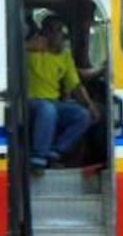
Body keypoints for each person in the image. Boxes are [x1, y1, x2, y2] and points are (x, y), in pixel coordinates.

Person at [26, 14, 99, 171]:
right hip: (29, 103)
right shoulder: (31, 49)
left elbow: (75, 85)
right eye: (53, 30)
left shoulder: (64, 55)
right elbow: (7, 54)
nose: (58, 35)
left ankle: (56, 151)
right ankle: (38, 157)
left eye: (60, 31)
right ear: (44, 32)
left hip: (52, 103)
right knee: (47, 109)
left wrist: (90, 106)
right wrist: (25, 47)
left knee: (82, 115)